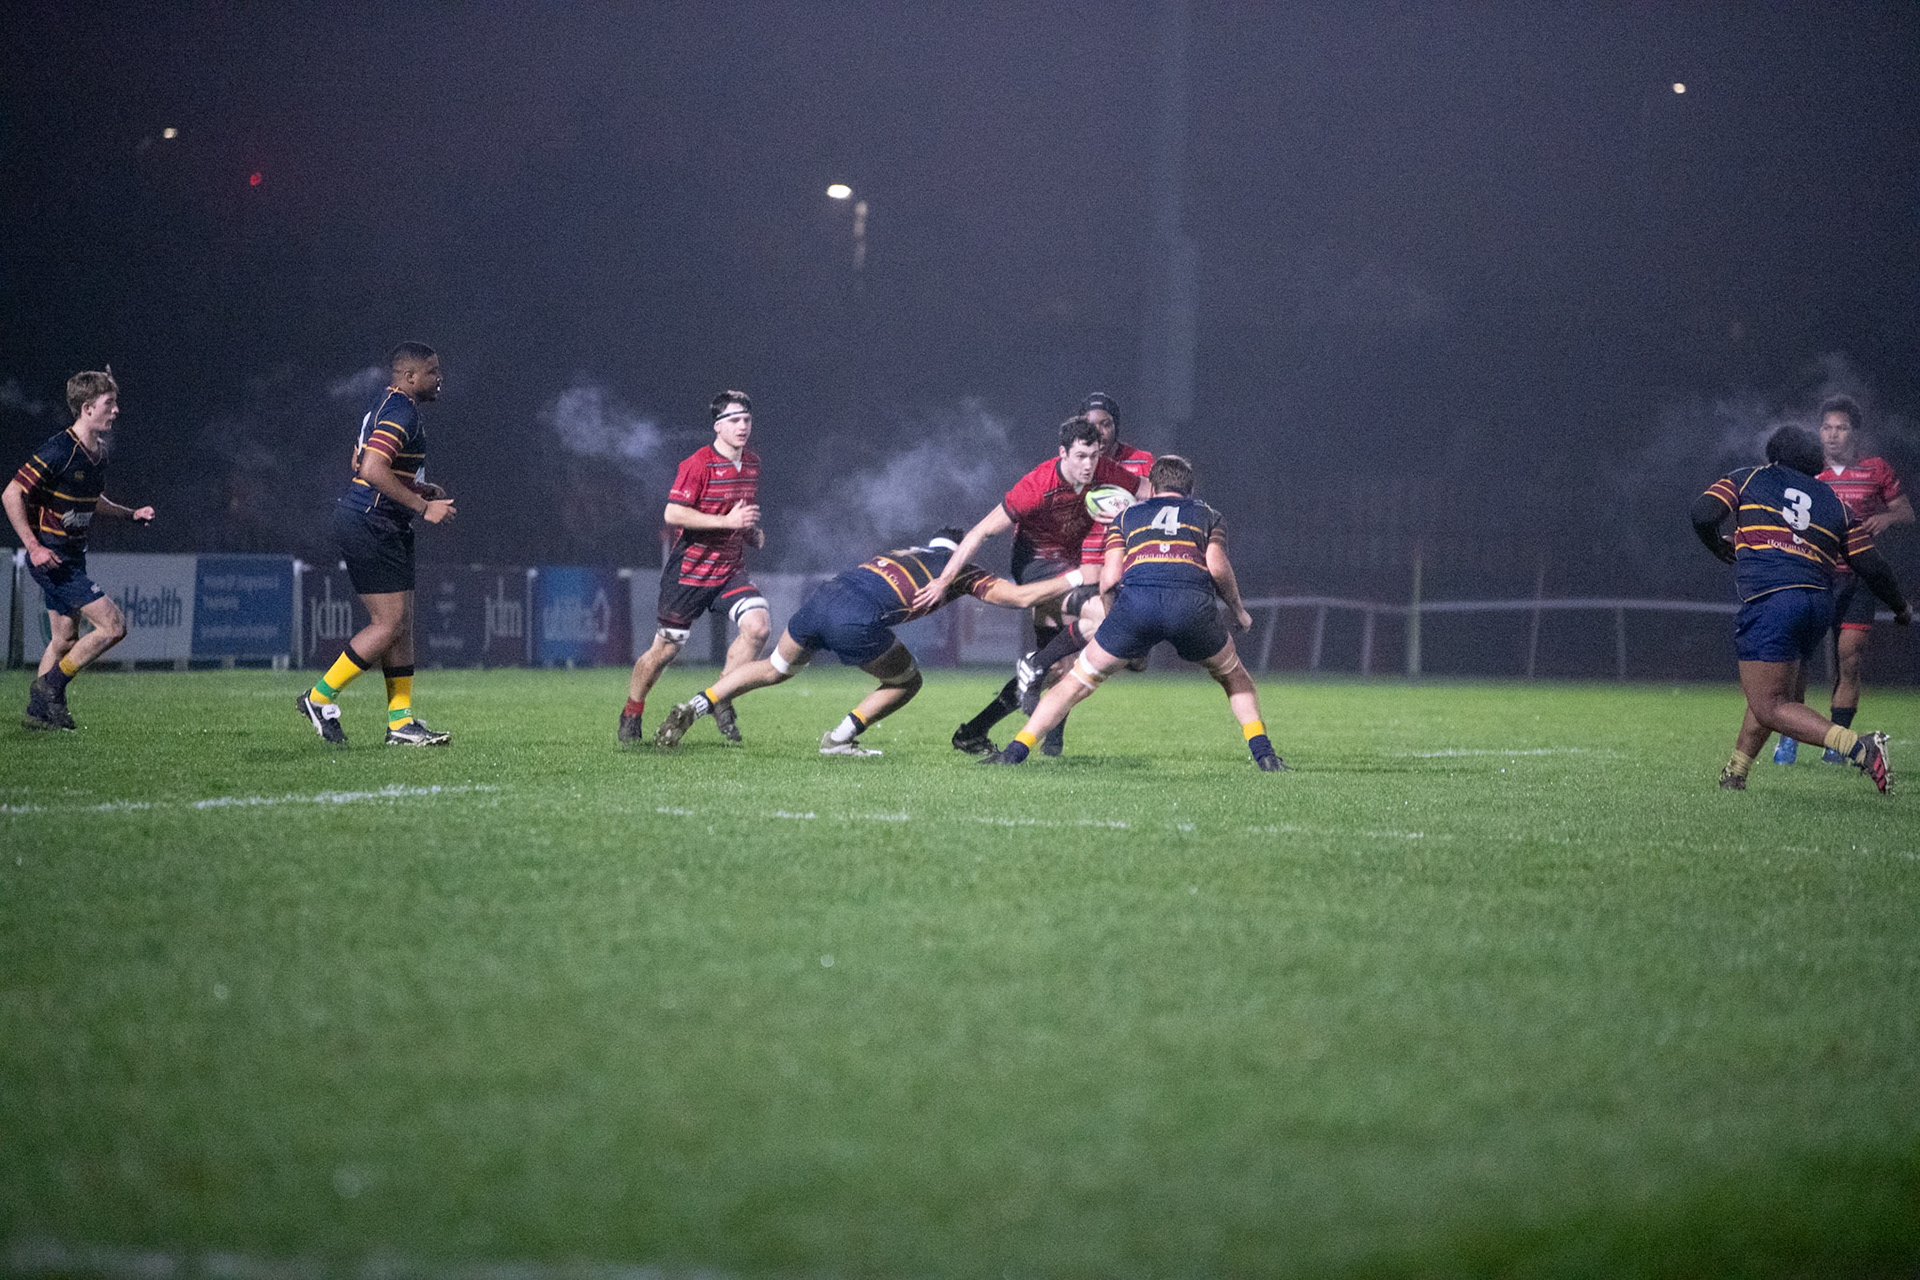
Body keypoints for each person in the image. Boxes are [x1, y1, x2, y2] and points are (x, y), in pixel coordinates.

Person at [653, 528, 1087, 754]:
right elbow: (1019, 598)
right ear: (961, 551)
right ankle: (839, 738)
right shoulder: (962, 569)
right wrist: (1078, 575)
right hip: (854, 618)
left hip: (823, 597)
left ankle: (694, 704)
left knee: (773, 669)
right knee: (906, 682)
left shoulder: (902, 552)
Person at [981, 455, 1287, 771]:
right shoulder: (1208, 515)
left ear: (1151, 488)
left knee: (1075, 683)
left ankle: (1015, 752)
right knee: (1234, 677)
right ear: (1190, 488)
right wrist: (1238, 610)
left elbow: (1111, 579)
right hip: (1191, 607)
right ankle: (1265, 756)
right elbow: (1218, 568)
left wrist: (1119, 624)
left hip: (1136, 607)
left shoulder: (1126, 518)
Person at [1691, 424, 1907, 793]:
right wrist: (1900, 606)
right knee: (1775, 694)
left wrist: (1717, 546)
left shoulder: (1747, 478)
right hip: (1816, 604)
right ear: (1815, 463)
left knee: (1769, 705)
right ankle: (1735, 775)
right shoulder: (1835, 503)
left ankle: (1859, 747)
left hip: (1773, 598)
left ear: (1772, 454)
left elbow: (1703, 513)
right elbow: (1871, 565)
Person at [933, 414, 1149, 756]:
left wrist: (1135, 510)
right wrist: (945, 579)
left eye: (1094, 456)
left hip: (1068, 565)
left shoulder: (1104, 471)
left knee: (1057, 670)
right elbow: (980, 531)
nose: (1089, 465)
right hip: (1034, 567)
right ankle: (1034, 667)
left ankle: (974, 731)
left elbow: (1148, 492)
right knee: (1103, 618)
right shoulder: (1037, 486)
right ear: (1062, 452)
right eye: (1080, 456)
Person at [296, 342, 457, 746]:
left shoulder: (387, 404)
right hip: (370, 521)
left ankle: (401, 724)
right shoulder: (401, 410)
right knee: (387, 626)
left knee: (402, 626)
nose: (440, 379)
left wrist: (419, 486)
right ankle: (319, 698)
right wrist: (423, 506)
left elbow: (359, 460)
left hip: (383, 521)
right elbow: (369, 469)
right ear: (410, 377)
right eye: (433, 371)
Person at [4, 368, 155, 730]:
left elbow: (92, 500)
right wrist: (33, 546)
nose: (116, 410)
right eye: (110, 403)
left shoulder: (97, 453)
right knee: (114, 626)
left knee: (64, 639)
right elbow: (11, 493)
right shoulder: (59, 450)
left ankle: (38, 716)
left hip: (73, 556)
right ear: (87, 408)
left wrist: (129, 514)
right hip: (52, 557)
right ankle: (50, 687)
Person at [617, 390, 770, 746]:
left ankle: (721, 697)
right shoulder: (698, 463)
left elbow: (738, 512)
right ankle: (631, 711)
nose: (743, 426)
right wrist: (727, 522)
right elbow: (673, 514)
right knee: (665, 651)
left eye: (747, 419)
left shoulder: (752, 464)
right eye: (734, 420)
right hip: (690, 573)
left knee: (759, 627)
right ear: (718, 426)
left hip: (730, 570)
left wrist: (751, 531)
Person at [1772, 395, 1914, 764]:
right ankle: (1790, 737)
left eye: (1841, 428)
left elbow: (1905, 512)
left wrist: (1886, 518)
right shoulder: (1807, 471)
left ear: (1854, 433)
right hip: (1815, 575)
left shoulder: (1875, 469)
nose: (1832, 435)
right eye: (1827, 428)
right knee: (1799, 659)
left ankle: (1837, 744)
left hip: (1858, 580)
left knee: (1849, 659)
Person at [1014, 391, 1157, 712]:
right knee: (1060, 664)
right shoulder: (1073, 465)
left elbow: (1158, 501)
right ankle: (1041, 734)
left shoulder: (1140, 461)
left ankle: (1034, 672)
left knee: (1130, 659)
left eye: (1107, 424)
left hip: (1122, 571)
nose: (1101, 432)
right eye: (1093, 425)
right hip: (1073, 570)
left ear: (1116, 426)